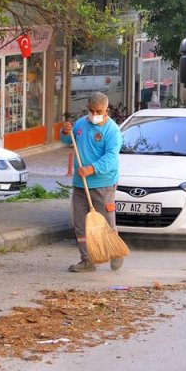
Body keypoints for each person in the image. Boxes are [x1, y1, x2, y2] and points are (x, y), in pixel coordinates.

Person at [60, 92, 124, 273]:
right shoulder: (81, 124)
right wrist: (65, 132)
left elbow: (111, 158)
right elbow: (67, 139)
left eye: (99, 111)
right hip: (80, 184)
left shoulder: (112, 131)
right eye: (91, 110)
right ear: (87, 108)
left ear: (106, 110)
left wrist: (92, 169)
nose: (94, 114)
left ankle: (115, 251)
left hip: (103, 183)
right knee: (80, 224)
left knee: (107, 222)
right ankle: (87, 260)